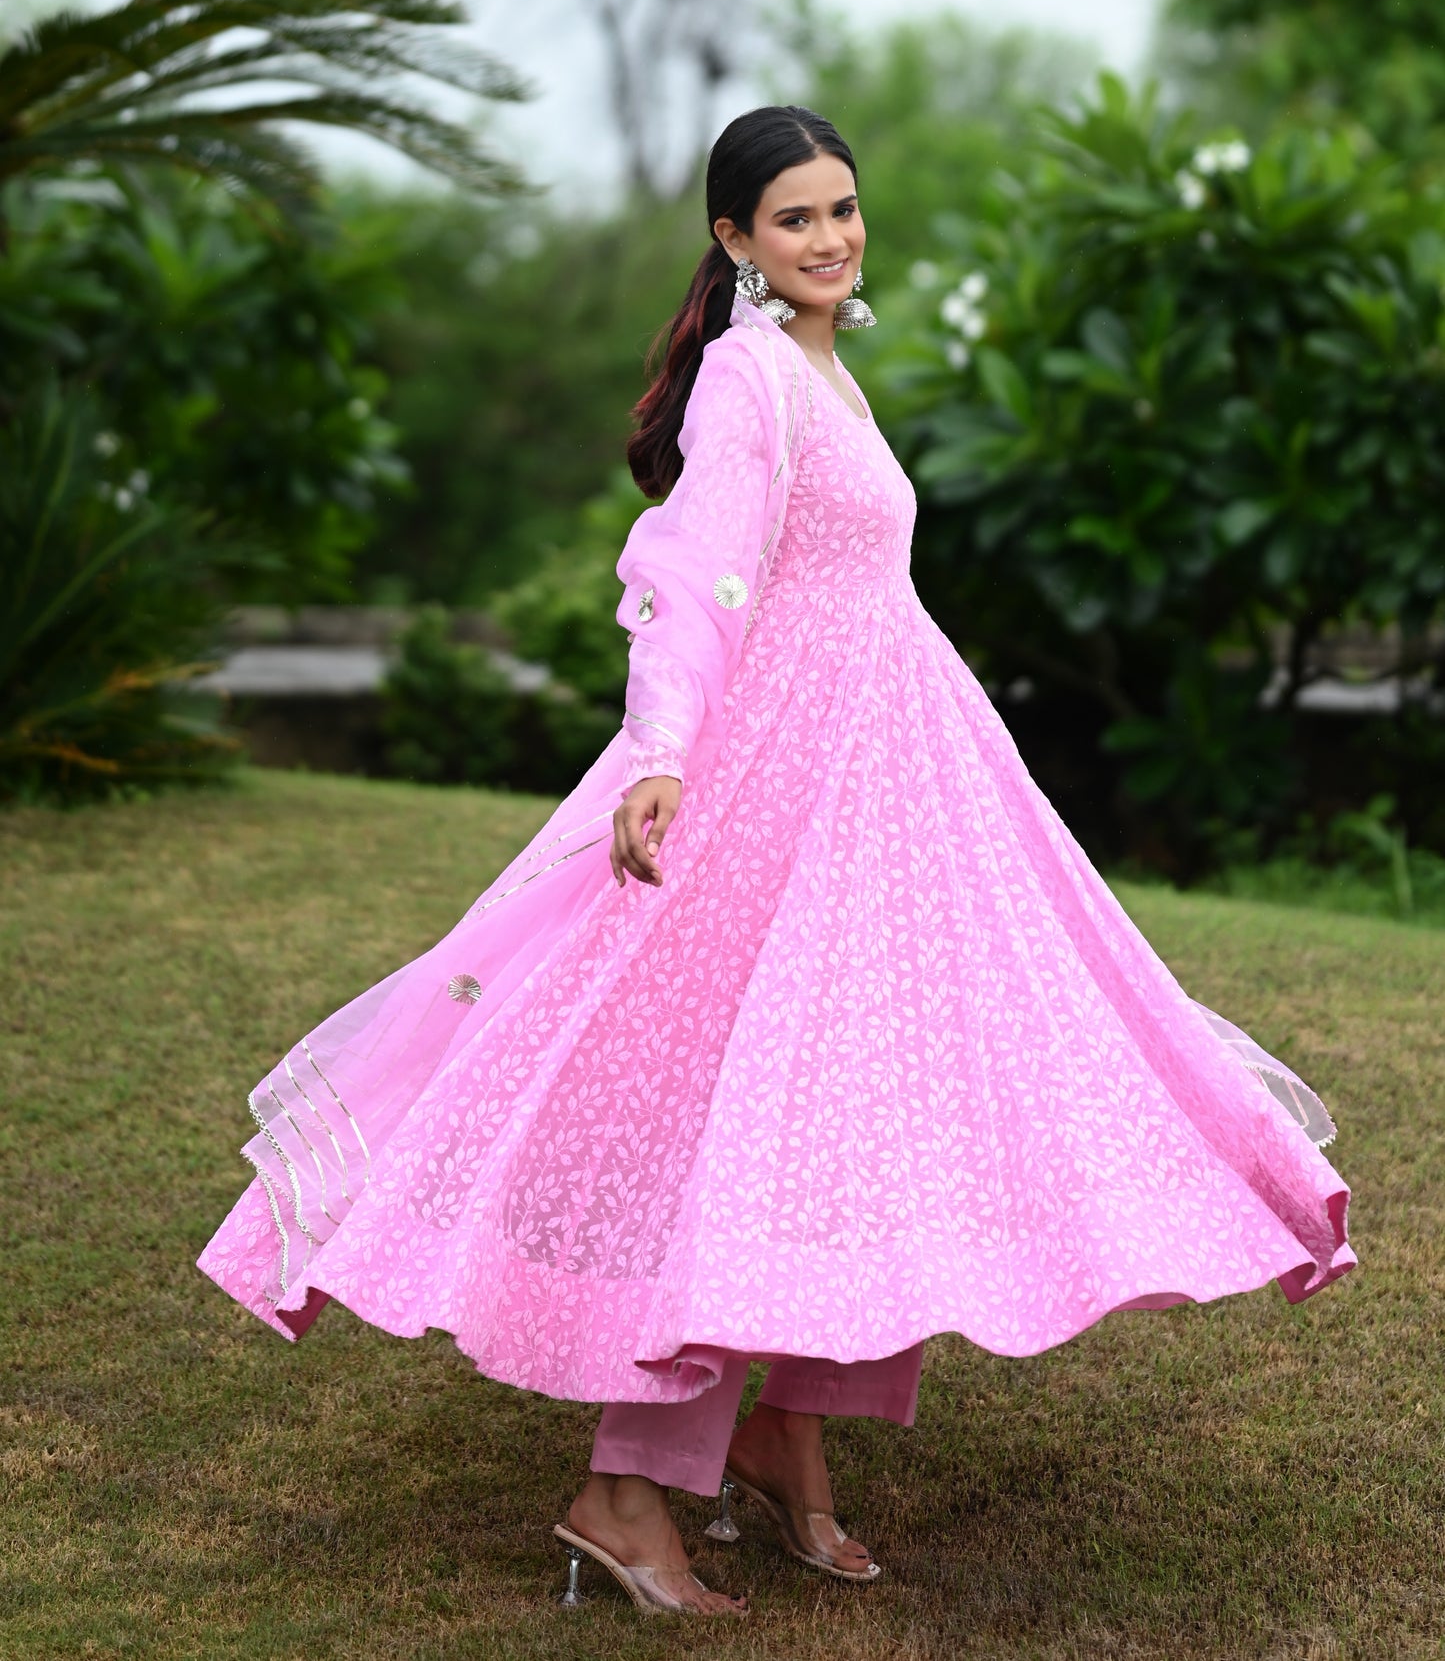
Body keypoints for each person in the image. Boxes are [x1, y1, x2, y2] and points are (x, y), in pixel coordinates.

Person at [200, 105, 1353, 1620]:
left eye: (844, 210)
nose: (831, 237)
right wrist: (663, 752)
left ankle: (783, 1449)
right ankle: (624, 1491)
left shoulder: (825, 375)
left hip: (897, 793)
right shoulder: (750, 380)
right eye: (795, 218)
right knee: (734, 1123)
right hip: (779, 795)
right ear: (734, 239)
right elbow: (691, 570)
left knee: (878, 1109)